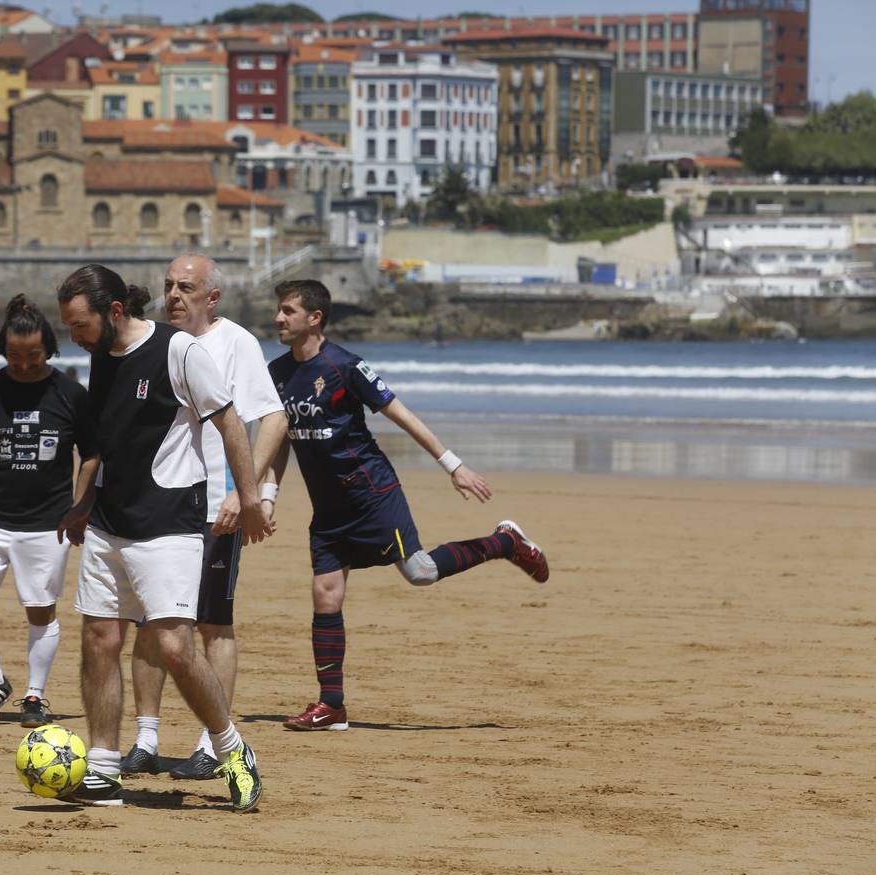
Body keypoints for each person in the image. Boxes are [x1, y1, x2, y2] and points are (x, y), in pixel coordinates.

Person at [266, 279, 550, 731]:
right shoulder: (277, 373)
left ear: (314, 318)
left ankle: (504, 542)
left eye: (287, 311)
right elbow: (278, 438)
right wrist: (267, 495)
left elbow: (402, 414)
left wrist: (452, 465)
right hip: (329, 511)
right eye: (279, 311)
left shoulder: (345, 366)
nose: (278, 319)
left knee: (420, 573)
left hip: (372, 496)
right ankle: (332, 706)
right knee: (325, 595)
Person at [55, 263, 273, 811]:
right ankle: (103, 768)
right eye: (70, 326)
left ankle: (231, 748)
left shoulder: (180, 352)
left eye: (80, 324)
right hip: (110, 524)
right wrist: (83, 506)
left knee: (176, 645)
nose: (74, 336)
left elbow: (230, 425)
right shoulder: (100, 358)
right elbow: (102, 445)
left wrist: (249, 499)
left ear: (114, 312)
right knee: (100, 639)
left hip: (170, 523)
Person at [119, 255, 286, 781]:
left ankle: (211, 746)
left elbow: (273, 418)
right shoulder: (151, 342)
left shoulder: (235, 343)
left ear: (211, 297)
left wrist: (249, 491)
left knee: (213, 625)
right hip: (158, 510)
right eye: (168, 285)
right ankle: (145, 739)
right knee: (151, 625)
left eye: (185, 287)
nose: (173, 295)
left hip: (218, 509)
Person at [0, 295, 98, 728]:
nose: (25, 364)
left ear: (49, 347)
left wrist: (80, 507)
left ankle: (35, 695)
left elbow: (92, 455)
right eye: (14, 355)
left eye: (33, 355)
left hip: (47, 523)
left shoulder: (69, 395)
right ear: (1, 350)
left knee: (40, 610)